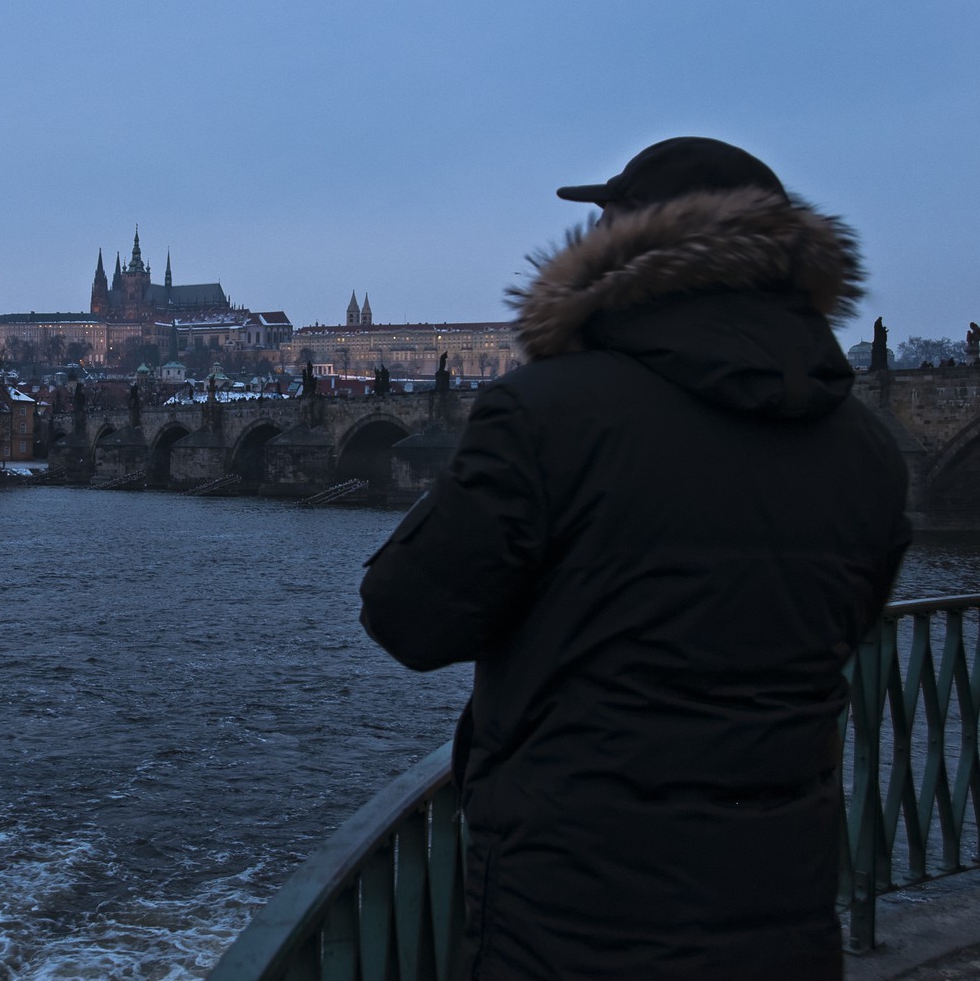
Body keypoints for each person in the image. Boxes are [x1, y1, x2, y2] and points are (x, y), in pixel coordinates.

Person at [360, 137, 910, 980]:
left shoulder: (547, 415)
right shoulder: (869, 447)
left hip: (576, 897)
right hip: (783, 890)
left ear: (622, 250)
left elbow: (408, 617)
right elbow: (846, 621)